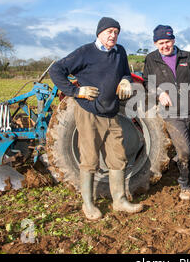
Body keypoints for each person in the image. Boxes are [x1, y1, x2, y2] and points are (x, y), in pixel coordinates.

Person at [49, 17, 143, 220]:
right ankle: (88, 204)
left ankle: (119, 200)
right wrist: (75, 91)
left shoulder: (120, 52)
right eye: (109, 31)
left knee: (118, 157)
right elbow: (55, 70)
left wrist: (126, 81)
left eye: (116, 32)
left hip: (112, 113)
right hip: (89, 113)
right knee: (90, 158)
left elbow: (125, 73)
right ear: (99, 32)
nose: (113, 35)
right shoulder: (85, 52)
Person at [142, 25, 190, 202]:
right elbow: (146, 82)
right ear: (155, 43)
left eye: (167, 41)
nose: (165, 45)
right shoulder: (151, 60)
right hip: (172, 113)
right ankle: (186, 185)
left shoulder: (187, 57)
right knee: (183, 151)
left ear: (173, 40)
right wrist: (159, 92)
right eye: (161, 43)